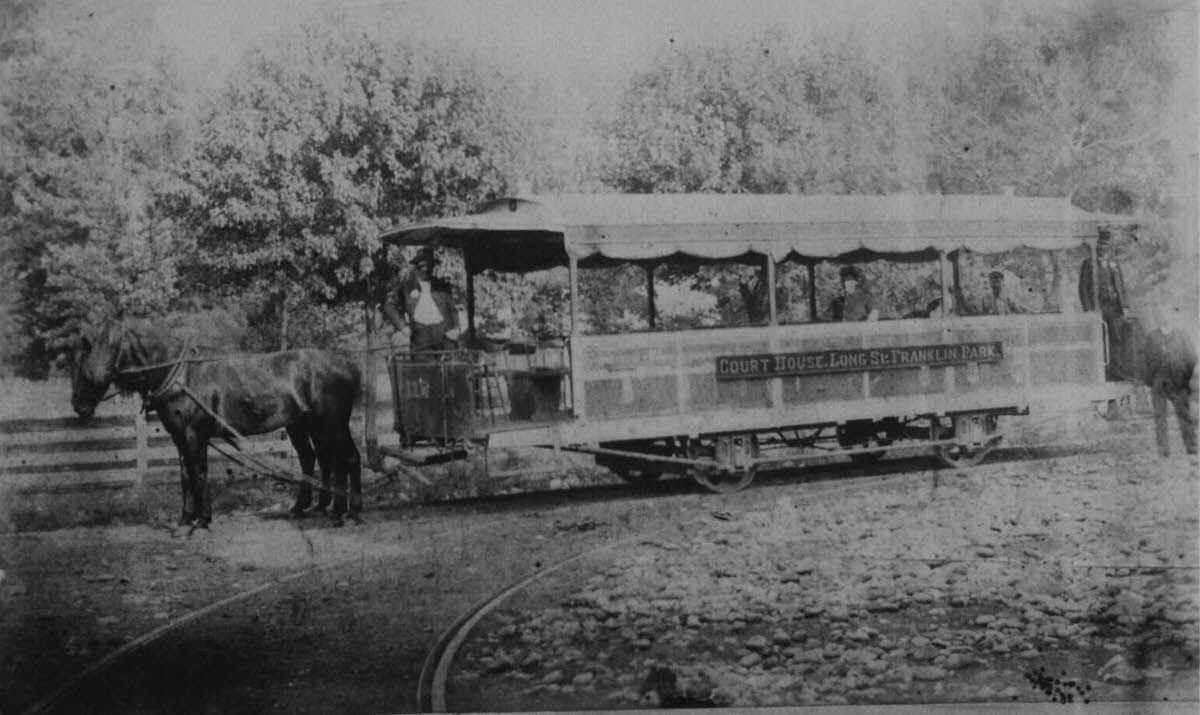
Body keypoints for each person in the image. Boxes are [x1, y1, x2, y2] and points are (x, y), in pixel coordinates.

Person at [383, 247, 461, 353]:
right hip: (420, 337)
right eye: (422, 266)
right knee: (424, 368)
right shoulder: (407, 286)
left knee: (449, 367)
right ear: (415, 267)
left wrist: (456, 328)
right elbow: (389, 306)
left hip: (444, 334)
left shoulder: (442, 285)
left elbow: (452, 309)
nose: (425, 269)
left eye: (429, 265)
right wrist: (402, 327)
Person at [1079, 230, 1130, 379]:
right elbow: (1083, 289)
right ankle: (1102, 373)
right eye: (1100, 244)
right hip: (1098, 307)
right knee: (1099, 338)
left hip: (1114, 307)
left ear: (1109, 246)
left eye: (1105, 244)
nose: (1102, 248)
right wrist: (1088, 310)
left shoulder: (1114, 263)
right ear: (1096, 246)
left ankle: (1118, 373)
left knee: (1117, 338)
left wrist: (1125, 306)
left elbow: (1121, 286)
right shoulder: (1088, 264)